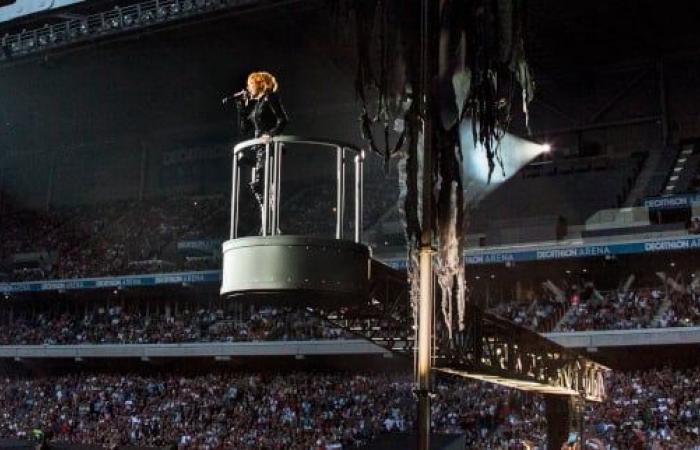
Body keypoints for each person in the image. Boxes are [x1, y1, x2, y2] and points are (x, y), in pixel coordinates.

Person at [224, 71, 289, 232]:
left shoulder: (270, 97)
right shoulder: (257, 104)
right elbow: (244, 129)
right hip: (259, 149)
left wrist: (271, 135)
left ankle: (271, 225)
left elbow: (283, 119)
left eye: (250, 84)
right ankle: (268, 224)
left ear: (259, 84)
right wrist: (241, 106)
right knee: (261, 186)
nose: (248, 87)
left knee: (261, 185)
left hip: (270, 147)